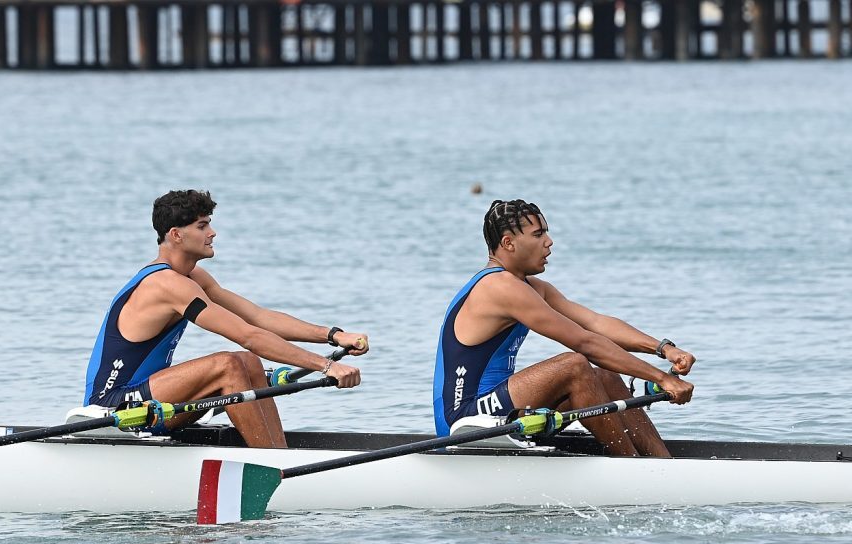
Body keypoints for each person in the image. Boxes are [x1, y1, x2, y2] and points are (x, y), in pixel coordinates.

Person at [84, 189, 368, 448]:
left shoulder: (192, 277)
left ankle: (277, 454)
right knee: (228, 365)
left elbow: (257, 318)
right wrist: (325, 365)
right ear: (176, 234)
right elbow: (248, 336)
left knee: (248, 361)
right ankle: (270, 461)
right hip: (115, 407)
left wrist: (332, 335)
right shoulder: (165, 284)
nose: (213, 232)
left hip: (152, 399)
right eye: (202, 225)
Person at [433, 199, 695, 457]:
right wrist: (661, 379)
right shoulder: (500, 287)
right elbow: (585, 343)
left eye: (546, 232)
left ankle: (662, 464)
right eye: (538, 234)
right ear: (508, 243)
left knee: (606, 377)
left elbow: (595, 323)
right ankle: (631, 469)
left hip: (499, 407)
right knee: (574, 366)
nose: (549, 241)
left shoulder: (531, 287)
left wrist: (664, 349)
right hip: (465, 418)